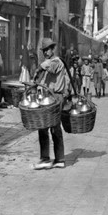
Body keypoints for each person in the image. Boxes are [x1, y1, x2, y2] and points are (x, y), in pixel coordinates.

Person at [33, 38, 71, 170]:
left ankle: (57, 159)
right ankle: (46, 158)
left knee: (54, 127)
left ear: (52, 49)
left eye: (47, 50)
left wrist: (38, 68)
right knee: (43, 126)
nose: (45, 52)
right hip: (47, 97)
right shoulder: (48, 62)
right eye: (44, 51)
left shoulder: (56, 61)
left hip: (56, 97)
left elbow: (51, 67)